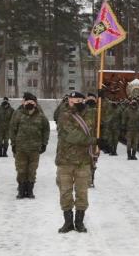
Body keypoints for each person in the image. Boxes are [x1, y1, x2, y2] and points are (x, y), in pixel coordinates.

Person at [55, 91, 98, 233]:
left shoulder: (91, 114)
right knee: (65, 193)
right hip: (65, 161)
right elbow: (72, 136)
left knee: (82, 193)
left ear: (83, 101)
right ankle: (68, 222)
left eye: (78, 100)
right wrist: (93, 141)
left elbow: (106, 119)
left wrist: (104, 99)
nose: (74, 103)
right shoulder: (63, 114)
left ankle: (79, 222)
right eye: (72, 100)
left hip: (83, 161)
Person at [9, 92, 49, 199]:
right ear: (23, 103)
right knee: (21, 170)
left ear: (35, 103)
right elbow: (12, 129)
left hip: (35, 149)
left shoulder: (41, 116)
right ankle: (21, 190)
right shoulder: (17, 114)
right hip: (20, 148)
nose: (30, 103)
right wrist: (13, 144)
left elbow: (46, 130)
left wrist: (44, 143)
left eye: (32, 102)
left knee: (32, 170)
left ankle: (30, 190)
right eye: (27, 101)